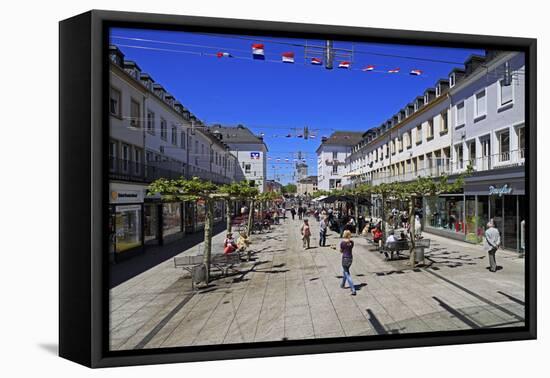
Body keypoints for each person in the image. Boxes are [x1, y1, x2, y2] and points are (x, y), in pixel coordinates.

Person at [339, 230, 357, 295]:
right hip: (350, 258)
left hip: (345, 259)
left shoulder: (342, 243)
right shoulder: (352, 242)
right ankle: (342, 284)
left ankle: (353, 289)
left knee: (347, 273)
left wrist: (341, 250)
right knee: (345, 271)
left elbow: (341, 251)